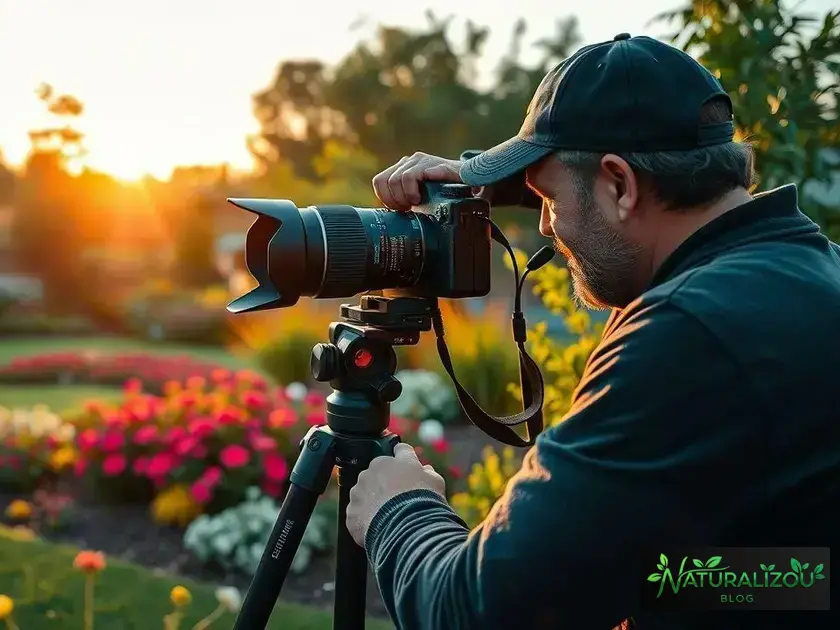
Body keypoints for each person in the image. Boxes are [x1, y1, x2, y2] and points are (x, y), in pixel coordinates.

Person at [346, 32, 840, 630]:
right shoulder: (809, 272)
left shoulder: (686, 336)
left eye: (549, 198)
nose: (549, 225)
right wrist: (483, 182)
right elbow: (798, 578)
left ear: (620, 184)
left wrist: (399, 508)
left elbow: (474, 612)